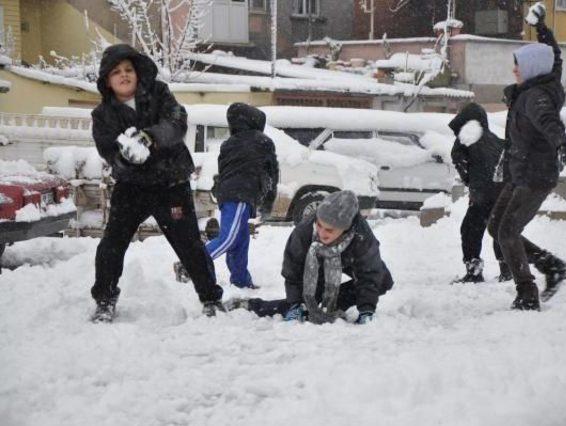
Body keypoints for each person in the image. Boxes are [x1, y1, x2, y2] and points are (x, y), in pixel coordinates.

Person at [90, 44, 224, 322]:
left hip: (170, 183)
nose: (124, 75)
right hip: (131, 187)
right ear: (107, 80)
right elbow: (108, 152)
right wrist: (126, 158)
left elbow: (177, 123)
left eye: (128, 69)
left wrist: (150, 137)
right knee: (111, 245)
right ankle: (104, 299)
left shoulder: (159, 94)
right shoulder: (103, 115)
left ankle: (211, 299)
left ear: (138, 73)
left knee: (189, 243)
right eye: (116, 72)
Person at [488, 3, 566, 311]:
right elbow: (554, 57)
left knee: (507, 231)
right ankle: (552, 265)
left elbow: (550, 123)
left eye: (518, 65)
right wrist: (542, 29)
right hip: (521, 172)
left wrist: (564, 147)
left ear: (530, 70)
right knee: (496, 228)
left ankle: (527, 291)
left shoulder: (535, 97)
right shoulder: (545, 81)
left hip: (534, 176)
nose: (514, 70)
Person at [233, 190, 393, 325]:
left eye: (329, 230)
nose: (322, 233)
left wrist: (367, 310)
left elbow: (369, 274)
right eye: (319, 225)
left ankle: (330, 304)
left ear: (344, 229)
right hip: (315, 261)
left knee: (382, 279)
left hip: (348, 258)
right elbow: (293, 272)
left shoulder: (361, 237)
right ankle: (252, 306)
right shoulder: (304, 232)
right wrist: (296, 304)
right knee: (309, 304)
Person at [203, 102, 279, 289]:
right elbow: (272, 173)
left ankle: (241, 281)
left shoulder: (228, 143)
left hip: (229, 194)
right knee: (229, 238)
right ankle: (192, 265)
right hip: (240, 195)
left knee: (241, 240)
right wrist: (268, 200)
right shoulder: (263, 141)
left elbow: (223, 170)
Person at [449, 102, 511, 283]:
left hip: (483, 195)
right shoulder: (493, 139)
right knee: (498, 231)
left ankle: (474, 272)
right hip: (501, 194)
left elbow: (459, 160)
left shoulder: (466, 139)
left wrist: (471, 182)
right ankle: (507, 269)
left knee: (470, 231)